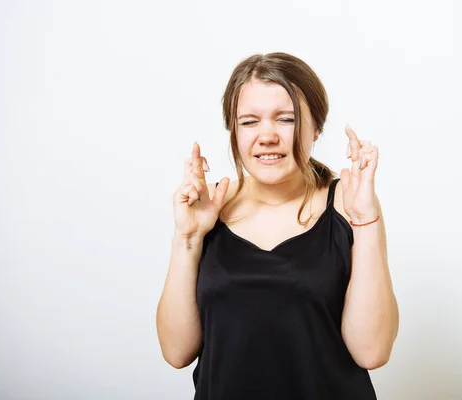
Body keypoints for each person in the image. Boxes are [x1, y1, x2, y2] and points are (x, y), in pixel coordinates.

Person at [156, 52, 399, 400]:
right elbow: (176, 352)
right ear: (233, 131)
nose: (266, 136)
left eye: (286, 119)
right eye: (249, 121)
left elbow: (372, 352)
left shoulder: (349, 205)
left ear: (316, 127)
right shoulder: (207, 209)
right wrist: (188, 237)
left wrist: (366, 221)